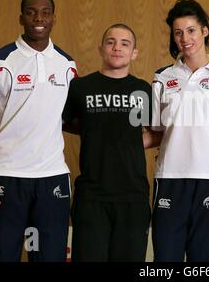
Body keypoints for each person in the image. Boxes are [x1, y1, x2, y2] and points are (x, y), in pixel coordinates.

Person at [0, 0, 77, 262]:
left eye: (45, 12)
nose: (38, 18)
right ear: (21, 18)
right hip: (5, 177)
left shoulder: (68, 65)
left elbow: (66, 119)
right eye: (31, 12)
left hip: (52, 178)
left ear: (54, 18)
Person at [62, 24, 155, 261]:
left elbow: (160, 133)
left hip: (133, 196)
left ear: (134, 52)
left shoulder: (142, 89)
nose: (117, 48)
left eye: (125, 44)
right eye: (111, 42)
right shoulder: (80, 87)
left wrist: (132, 143)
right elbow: (60, 123)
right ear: (101, 49)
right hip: (91, 195)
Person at [150, 0, 209, 262]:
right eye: (178, 32)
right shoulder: (162, 77)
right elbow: (155, 132)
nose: (185, 38)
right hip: (170, 179)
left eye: (191, 30)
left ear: (205, 31)